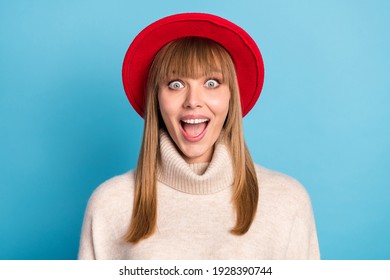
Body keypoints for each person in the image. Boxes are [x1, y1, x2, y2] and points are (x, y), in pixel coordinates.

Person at [78, 13, 320, 259]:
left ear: (231, 97)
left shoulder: (287, 201)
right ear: (157, 99)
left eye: (212, 83)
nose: (193, 101)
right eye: (175, 84)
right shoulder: (109, 204)